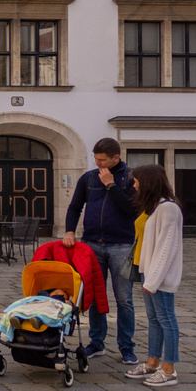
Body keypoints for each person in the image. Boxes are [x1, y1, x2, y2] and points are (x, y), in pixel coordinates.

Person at [63, 137, 138, 364]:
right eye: (96, 160)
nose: (99, 165)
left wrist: (111, 185)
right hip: (92, 244)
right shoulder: (88, 178)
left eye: (103, 160)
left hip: (121, 245)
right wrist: (69, 231)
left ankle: (126, 346)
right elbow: (75, 207)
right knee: (94, 295)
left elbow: (131, 210)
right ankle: (96, 342)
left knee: (124, 298)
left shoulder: (130, 178)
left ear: (117, 157)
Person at [124, 164, 183, 388]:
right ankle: (152, 362)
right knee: (154, 320)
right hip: (150, 274)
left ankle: (169, 369)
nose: (135, 185)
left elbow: (166, 248)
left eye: (138, 181)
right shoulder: (155, 207)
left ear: (148, 182)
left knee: (167, 320)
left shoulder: (168, 208)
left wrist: (153, 280)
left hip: (160, 278)